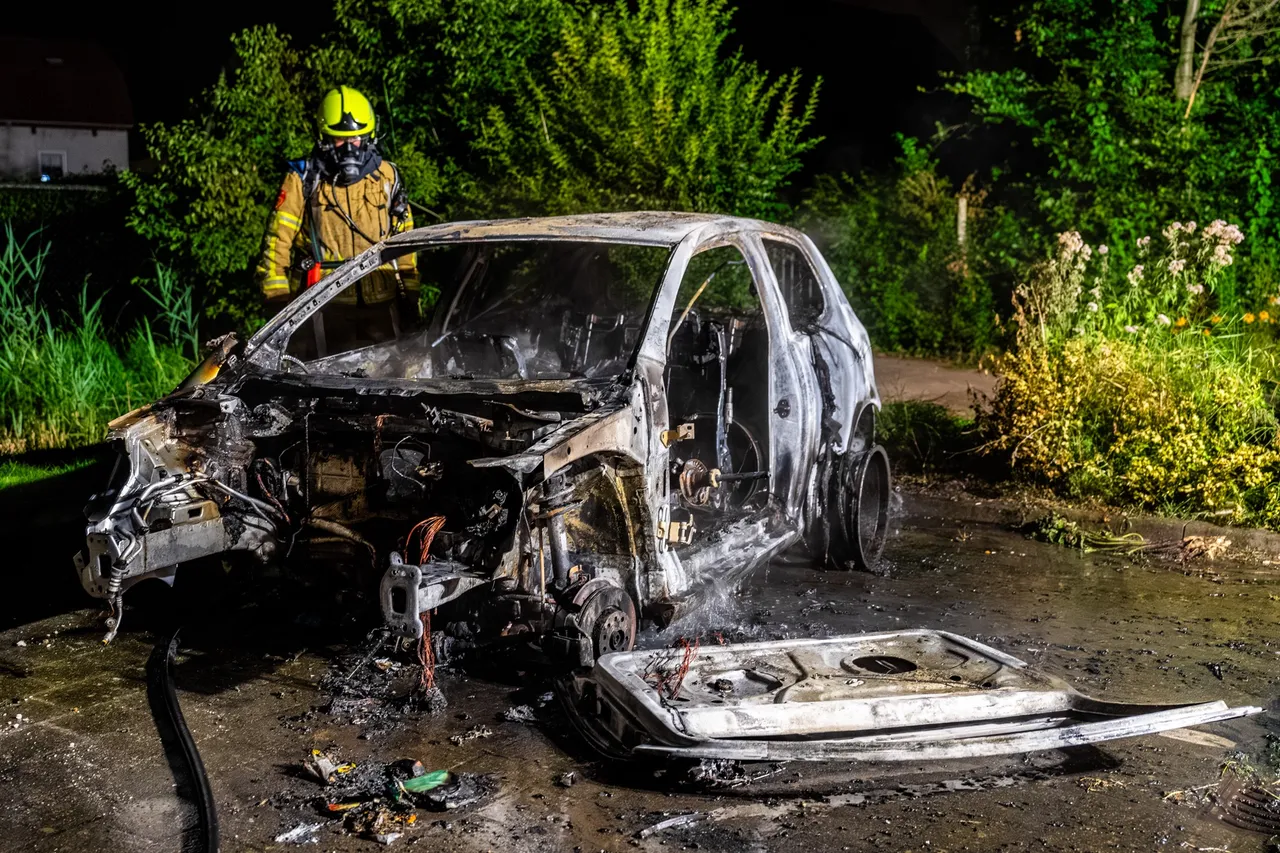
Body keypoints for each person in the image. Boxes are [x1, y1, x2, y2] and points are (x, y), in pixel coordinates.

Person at [255, 85, 418, 356]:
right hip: (322, 306)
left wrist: (411, 296)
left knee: (390, 375)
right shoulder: (303, 179)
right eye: (340, 140)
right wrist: (278, 304)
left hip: (382, 304)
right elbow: (276, 245)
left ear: (370, 136)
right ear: (324, 138)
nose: (350, 149)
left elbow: (406, 240)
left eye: (357, 139)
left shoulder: (388, 176)